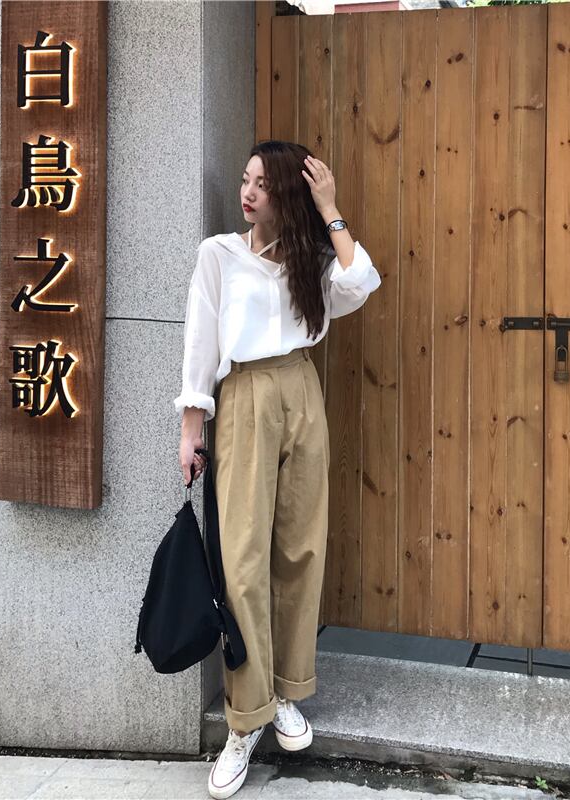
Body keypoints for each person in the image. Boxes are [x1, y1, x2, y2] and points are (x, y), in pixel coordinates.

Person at [173, 140, 382, 800]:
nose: (247, 192)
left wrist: (330, 208)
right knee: (241, 559)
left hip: (300, 390)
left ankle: (287, 691)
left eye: (262, 184)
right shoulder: (219, 254)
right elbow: (200, 341)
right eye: (245, 180)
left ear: (287, 194)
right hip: (244, 396)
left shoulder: (311, 261)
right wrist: (191, 427)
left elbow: (360, 282)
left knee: (299, 549)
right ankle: (246, 718)